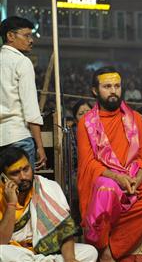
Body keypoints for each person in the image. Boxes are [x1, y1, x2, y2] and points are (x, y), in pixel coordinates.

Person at [77, 67, 142, 261]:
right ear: (95, 91)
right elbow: (89, 163)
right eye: (107, 86)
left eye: (117, 86)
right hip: (107, 177)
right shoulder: (86, 124)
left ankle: (111, 251)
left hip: (133, 176)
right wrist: (117, 177)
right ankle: (100, 245)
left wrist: (136, 179)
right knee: (108, 191)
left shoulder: (136, 119)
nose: (113, 90)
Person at [0, 147, 97, 262]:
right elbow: (2, 241)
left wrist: (70, 259)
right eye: (15, 173)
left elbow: (63, 229)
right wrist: (11, 204)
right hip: (19, 253)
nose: (23, 177)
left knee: (90, 252)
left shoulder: (49, 187)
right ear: (4, 178)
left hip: (48, 252)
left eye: (26, 169)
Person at [0, 16, 47, 169]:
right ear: (10, 36)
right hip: (18, 138)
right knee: (23, 191)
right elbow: (31, 109)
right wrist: (40, 146)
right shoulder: (22, 62)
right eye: (27, 35)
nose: (31, 40)